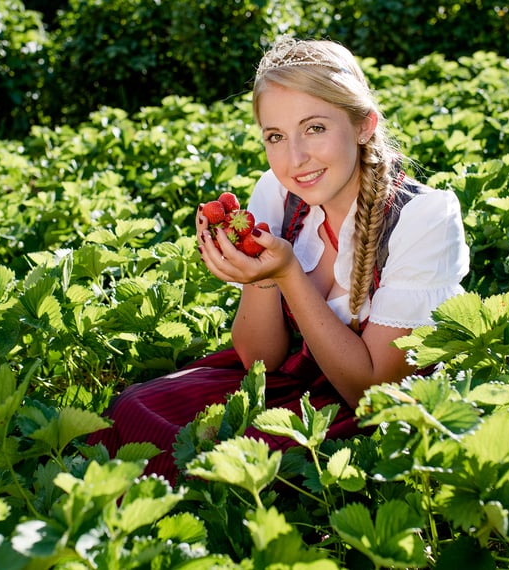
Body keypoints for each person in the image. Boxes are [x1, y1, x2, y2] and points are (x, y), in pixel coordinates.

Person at [87, 37, 469, 482]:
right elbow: (258, 361)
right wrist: (261, 279)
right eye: (275, 136)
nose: (295, 158)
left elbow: (372, 393)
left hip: (365, 412)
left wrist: (289, 273)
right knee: (131, 412)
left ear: (364, 125)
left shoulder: (423, 218)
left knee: (210, 469)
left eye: (314, 128)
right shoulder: (279, 192)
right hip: (287, 381)